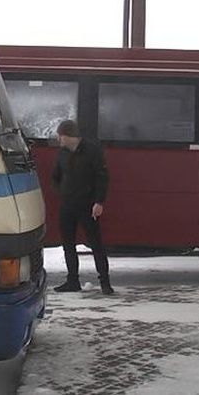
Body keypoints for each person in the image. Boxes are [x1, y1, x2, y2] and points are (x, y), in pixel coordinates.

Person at [51, 119, 114, 295]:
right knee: (68, 244)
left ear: (69, 136)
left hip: (87, 205)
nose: (59, 140)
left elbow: (102, 177)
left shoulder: (92, 151)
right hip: (67, 205)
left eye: (61, 136)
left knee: (96, 244)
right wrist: (61, 192)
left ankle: (105, 282)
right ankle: (72, 281)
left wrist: (99, 201)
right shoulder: (62, 153)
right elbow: (55, 177)